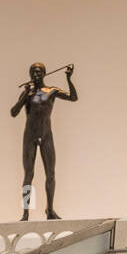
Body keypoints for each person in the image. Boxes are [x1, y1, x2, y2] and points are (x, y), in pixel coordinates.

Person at [10, 62, 77, 220]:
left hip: (46, 135)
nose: (36, 74)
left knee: (51, 174)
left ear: (45, 73)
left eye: (39, 72)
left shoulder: (51, 91)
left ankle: (50, 209)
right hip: (30, 136)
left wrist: (68, 78)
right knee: (29, 174)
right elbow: (13, 112)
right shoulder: (29, 93)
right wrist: (25, 96)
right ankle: (26, 212)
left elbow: (73, 97)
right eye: (33, 72)